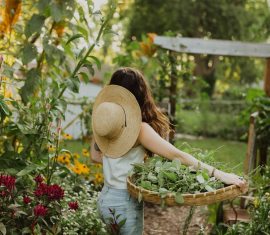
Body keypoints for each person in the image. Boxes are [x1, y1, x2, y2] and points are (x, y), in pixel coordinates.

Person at [91, 67, 247, 235]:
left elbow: (95, 156)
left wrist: (123, 163)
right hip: (124, 203)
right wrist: (219, 174)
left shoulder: (105, 123)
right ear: (139, 95)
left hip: (105, 199)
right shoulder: (139, 128)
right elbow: (176, 156)